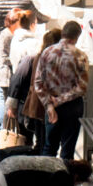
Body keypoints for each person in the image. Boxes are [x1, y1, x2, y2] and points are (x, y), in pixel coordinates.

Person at [34, 21, 88, 160]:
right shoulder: (80, 56)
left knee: (49, 147)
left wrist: (50, 105)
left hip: (51, 105)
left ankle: (47, 180)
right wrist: (60, 100)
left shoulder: (47, 52)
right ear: (77, 37)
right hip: (73, 107)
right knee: (67, 151)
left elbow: (38, 83)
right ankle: (64, 181)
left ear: (63, 33)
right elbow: (82, 88)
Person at [7, 29, 61, 153]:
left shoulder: (37, 57)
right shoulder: (37, 59)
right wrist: (12, 106)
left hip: (37, 104)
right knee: (44, 141)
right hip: (40, 105)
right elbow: (18, 80)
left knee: (41, 141)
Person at [0, 9, 22, 122]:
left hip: (7, 75)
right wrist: (17, 60)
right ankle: (6, 134)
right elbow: (3, 58)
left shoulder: (9, 33)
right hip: (7, 76)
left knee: (8, 107)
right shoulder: (7, 35)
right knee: (9, 108)